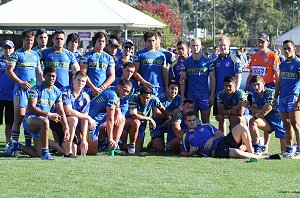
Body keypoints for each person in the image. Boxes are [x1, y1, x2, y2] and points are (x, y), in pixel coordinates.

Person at [5, 66, 69, 160]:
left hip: (42, 124)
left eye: (53, 76)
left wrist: (65, 126)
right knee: (45, 121)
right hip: (30, 120)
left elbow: (61, 110)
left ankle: (16, 145)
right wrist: (49, 114)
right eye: (49, 76)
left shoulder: (57, 92)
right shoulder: (35, 88)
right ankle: (46, 154)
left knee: (37, 154)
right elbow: (31, 108)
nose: (51, 78)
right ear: (43, 76)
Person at [180, 111, 281, 160]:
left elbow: (219, 133)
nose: (192, 122)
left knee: (241, 126)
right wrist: (191, 153)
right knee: (236, 152)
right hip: (216, 151)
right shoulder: (186, 136)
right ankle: (264, 157)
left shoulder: (206, 126)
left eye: (193, 120)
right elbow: (183, 153)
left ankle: (252, 152)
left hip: (223, 141)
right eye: (189, 121)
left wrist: (211, 138)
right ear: (185, 122)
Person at [6, 30, 43, 151]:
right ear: (23, 40)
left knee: (30, 117)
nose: (30, 42)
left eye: (32, 40)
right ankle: (13, 146)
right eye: (27, 40)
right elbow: (9, 71)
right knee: (19, 117)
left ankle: (28, 145)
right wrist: (21, 82)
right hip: (20, 91)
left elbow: (39, 73)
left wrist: (40, 86)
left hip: (32, 92)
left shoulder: (35, 55)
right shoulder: (16, 54)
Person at [49, 70, 95, 157]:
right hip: (56, 120)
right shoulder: (65, 91)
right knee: (74, 119)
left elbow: (84, 118)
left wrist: (84, 140)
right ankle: (52, 143)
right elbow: (68, 111)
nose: (80, 83)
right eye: (78, 80)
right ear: (73, 79)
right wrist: (88, 117)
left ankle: (57, 145)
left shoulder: (86, 97)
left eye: (83, 81)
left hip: (69, 125)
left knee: (74, 151)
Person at [122, 86, 171, 154]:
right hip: (128, 122)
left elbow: (162, 108)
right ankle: (129, 145)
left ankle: (127, 147)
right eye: (144, 97)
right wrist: (149, 118)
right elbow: (133, 115)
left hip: (142, 125)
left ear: (150, 97)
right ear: (140, 95)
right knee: (136, 122)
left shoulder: (154, 99)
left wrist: (169, 118)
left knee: (137, 151)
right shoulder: (134, 97)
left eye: (148, 98)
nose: (145, 100)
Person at [88, 79, 132, 155]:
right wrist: (110, 138)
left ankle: (113, 148)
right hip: (90, 123)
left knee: (121, 118)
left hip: (96, 122)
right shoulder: (113, 96)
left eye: (128, 92)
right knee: (91, 151)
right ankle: (111, 144)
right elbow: (110, 119)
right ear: (118, 86)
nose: (125, 93)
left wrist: (118, 113)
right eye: (124, 90)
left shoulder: (112, 89)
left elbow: (117, 105)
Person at [274, 40, 300, 158]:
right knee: (286, 124)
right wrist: (275, 97)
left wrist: (299, 100)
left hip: (293, 97)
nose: (287, 50)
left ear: (294, 49)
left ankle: (299, 150)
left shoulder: (298, 63)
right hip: (282, 97)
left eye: (289, 48)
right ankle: (289, 149)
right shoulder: (282, 64)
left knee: (295, 124)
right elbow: (279, 82)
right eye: (285, 49)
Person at [180, 38, 216, 123]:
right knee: (193, 122)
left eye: (197, 45)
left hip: (204, 95)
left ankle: (207, 137)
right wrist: (182, 95)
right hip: (191, 95)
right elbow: (182, 80)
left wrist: (212, 94)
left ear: (201, 47)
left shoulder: (208, 62)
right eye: (193, 45)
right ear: (190, 47)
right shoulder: (186, 62)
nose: (195, 47)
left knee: (205, 121)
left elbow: (212, 79)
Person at [248, 75, 286, 154]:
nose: (256, 87)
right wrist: (257, 111)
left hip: (279, 121)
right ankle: (257, 147)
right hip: (267, 122)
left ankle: (295, 147)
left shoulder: (270, 92)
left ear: (263, 83)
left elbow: (263, 113)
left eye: (258, 84)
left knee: (284, 152)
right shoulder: (254, 95)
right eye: (254, 85)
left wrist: (248, 106)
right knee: (253, 121)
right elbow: (256, 113)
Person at [212, 36, 243, 126]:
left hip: (231, 94)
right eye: (220, 45)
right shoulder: (214, 60)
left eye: (224, 45)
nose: (222, 47)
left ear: (229, 45)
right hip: (219, 94)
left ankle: (234, 139)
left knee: (233, 118)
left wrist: (236, 91)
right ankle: (223, 139)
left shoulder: (235, 60)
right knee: (220, 118)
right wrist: (213, 93)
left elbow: (239, 76)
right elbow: (213, 78)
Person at [148, 80, 183, 151]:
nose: (173, 91)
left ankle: (170, 143)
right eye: (172, 88)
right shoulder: (160, 98)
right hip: (158, 124)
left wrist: (170, 119)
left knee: (171, 149)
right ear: (167, 89)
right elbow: (157, 113)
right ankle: (152, 142)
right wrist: (172, 114)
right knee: (159, 149)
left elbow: (180, 113)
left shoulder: (179, 99)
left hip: (171, 123)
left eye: (176, 89)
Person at [80, 31, 115, 97]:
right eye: (99, 41)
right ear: (95, 42)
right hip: (88, 90)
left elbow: (112, 76)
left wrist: (102, 88)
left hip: (102, 91)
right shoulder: (86, 56)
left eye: (103, 41)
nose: (101, 43)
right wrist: (93, 88)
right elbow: (83, 74)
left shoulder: (109, 58)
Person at [133, 30, 168, 96]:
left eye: (153, 40)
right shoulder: (139, 54)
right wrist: (144, 82)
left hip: (158, 88)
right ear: (145, 41)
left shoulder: (161, 55)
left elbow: (164, 73)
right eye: (149, 41)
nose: (152, 43)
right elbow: (135, 72)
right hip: (145, 87)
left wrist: (166, 87)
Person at [0, 40, 15, 144]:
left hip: (12, 97)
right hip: (0, 96)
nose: (8, 50)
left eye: (9, 48)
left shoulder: (16, 62)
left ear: (13, 49)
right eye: (5, 48)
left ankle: (7, 142)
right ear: (2, 49)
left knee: (9, 122)